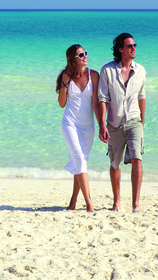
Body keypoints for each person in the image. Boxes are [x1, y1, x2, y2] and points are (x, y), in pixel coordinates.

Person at [97, 33, 146, 213]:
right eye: (129, 46)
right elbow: (103, 99)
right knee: (115, 164)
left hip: (134, 120)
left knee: (137, 159)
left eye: (134, 45)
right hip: (114, 123)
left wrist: (142, 119)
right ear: (120, 49)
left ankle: (136, 204)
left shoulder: (140, 70)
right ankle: (116, 202)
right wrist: (102, 125)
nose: (133, 48)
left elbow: (142, 96)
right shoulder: (107, 70)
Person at [57, 44, 99, 212]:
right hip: (70, 124)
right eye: (81, 54)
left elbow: (96, 103)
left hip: (88, 127)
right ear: (72, 59)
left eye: (85, 53)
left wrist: (102, 125)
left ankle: (73, 202)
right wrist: (64, 84)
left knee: (79, 163)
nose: (84, 56)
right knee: (80, 161)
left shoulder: (94, 75)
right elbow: (61, 104)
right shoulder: (65, 76)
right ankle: (89, 204)